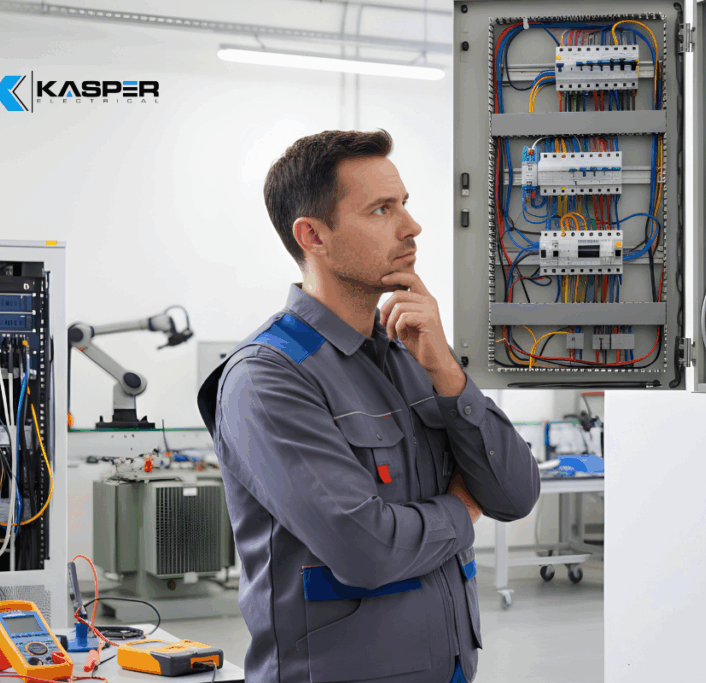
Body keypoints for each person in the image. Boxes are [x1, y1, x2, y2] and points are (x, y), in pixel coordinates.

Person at [198, 128, 540, 683]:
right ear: (313, 236)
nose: (412, 227)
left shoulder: (413, 353)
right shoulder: (268, 378)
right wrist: (463, 509)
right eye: (382, 209)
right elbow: (367, 548)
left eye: (404, 203)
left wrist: (448, 373)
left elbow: (517, 493)